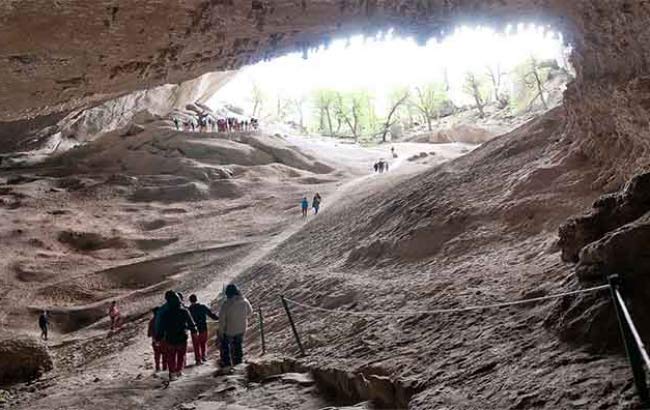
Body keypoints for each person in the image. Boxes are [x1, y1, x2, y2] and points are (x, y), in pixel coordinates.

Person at [158, 292, 197, 381]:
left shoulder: (165, 313)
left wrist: (158, 338)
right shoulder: (184, 311)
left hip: (170, 339)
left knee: (171, 357)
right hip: (182, 338)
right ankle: (178, 371)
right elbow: (191, 324)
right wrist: (194, 332)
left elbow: (161, 328)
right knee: (180, 355)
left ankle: (172, 373)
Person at [218, 284, 253, 373]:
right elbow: (250, 312)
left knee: (226, 347)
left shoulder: (226, 304)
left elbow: (222, 319)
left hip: (229, 329)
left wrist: (221, 332)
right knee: (238, 345)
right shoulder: (244, 300)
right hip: (242, 327)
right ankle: (238, 363)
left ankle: (227, 365)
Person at [188, 294, 219, 365]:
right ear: (196, 299)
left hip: (194, 330)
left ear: (190, 301)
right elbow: (211, 315)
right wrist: (218, 318)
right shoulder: (202, 307)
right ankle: (203, 357)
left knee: (196, 345)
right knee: (203, 343)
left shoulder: (189, 310)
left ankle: (198, 359)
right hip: (203, 328)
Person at [147, 307, 166, 372]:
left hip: (155, 341)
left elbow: (149, 334)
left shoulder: (151, 322)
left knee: (157, 354)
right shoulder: (163, 320)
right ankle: (164, 367)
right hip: (163, 340)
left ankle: (157, 367)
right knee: (164, 354)